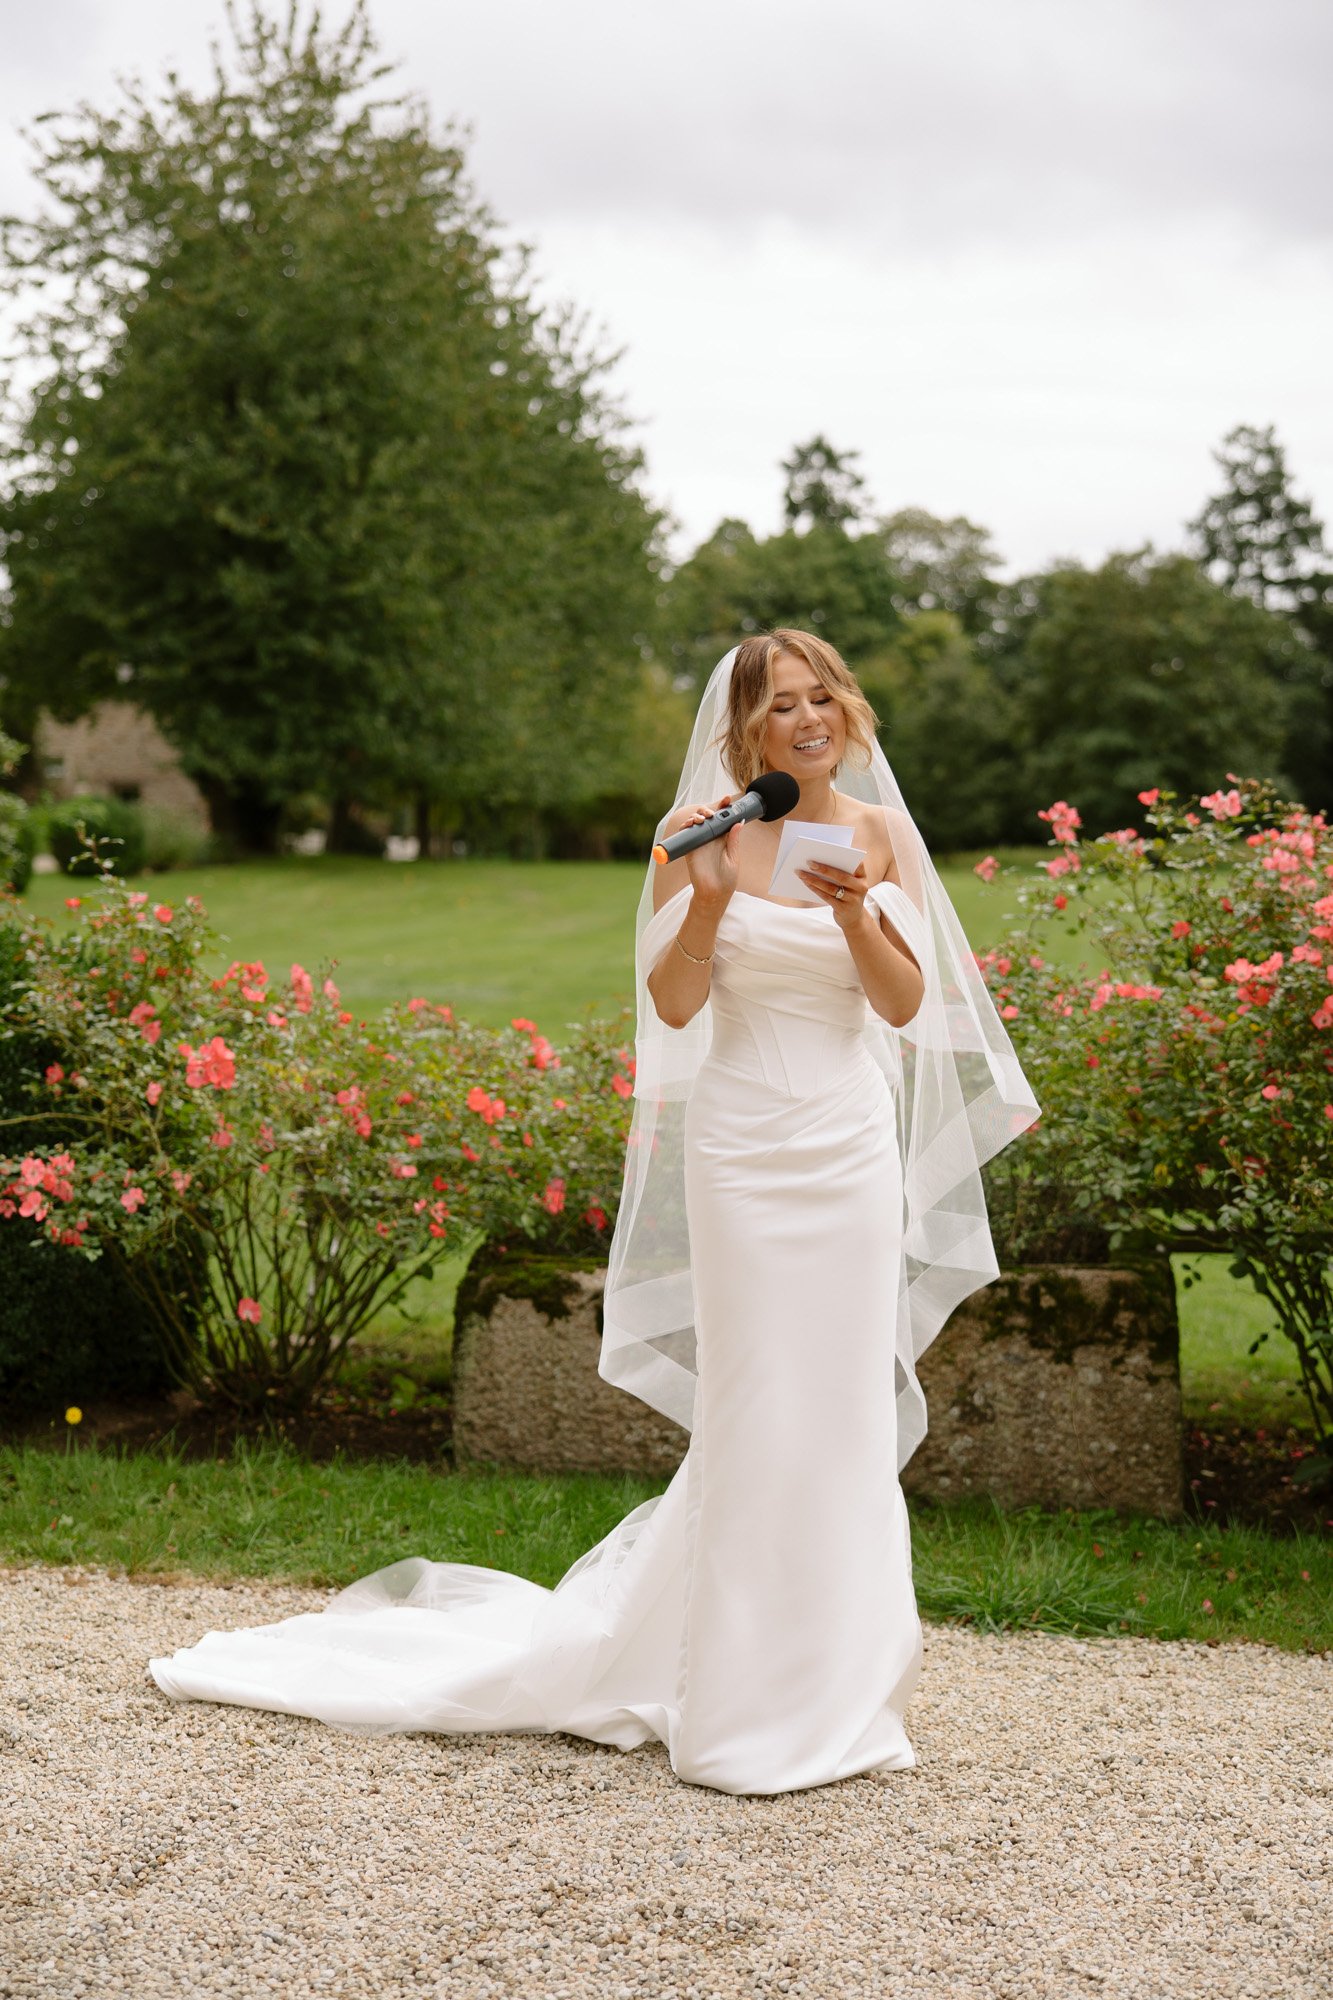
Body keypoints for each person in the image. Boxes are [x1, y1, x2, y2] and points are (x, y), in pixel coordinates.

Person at [149, 630, 1038, 1797]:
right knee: (756, 1397)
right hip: (740, 1144)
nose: (809, 718)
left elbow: (906, 1003)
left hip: (845, 1143)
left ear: (846, 713)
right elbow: (672, 1008)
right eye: (783, 705)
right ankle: (734, 1701)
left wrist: (857, 913)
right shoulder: (703, 834)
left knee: (839, 1405)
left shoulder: (883, 836)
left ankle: (844, 1690)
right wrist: (710, 901)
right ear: (746, 731)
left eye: (824, 697)